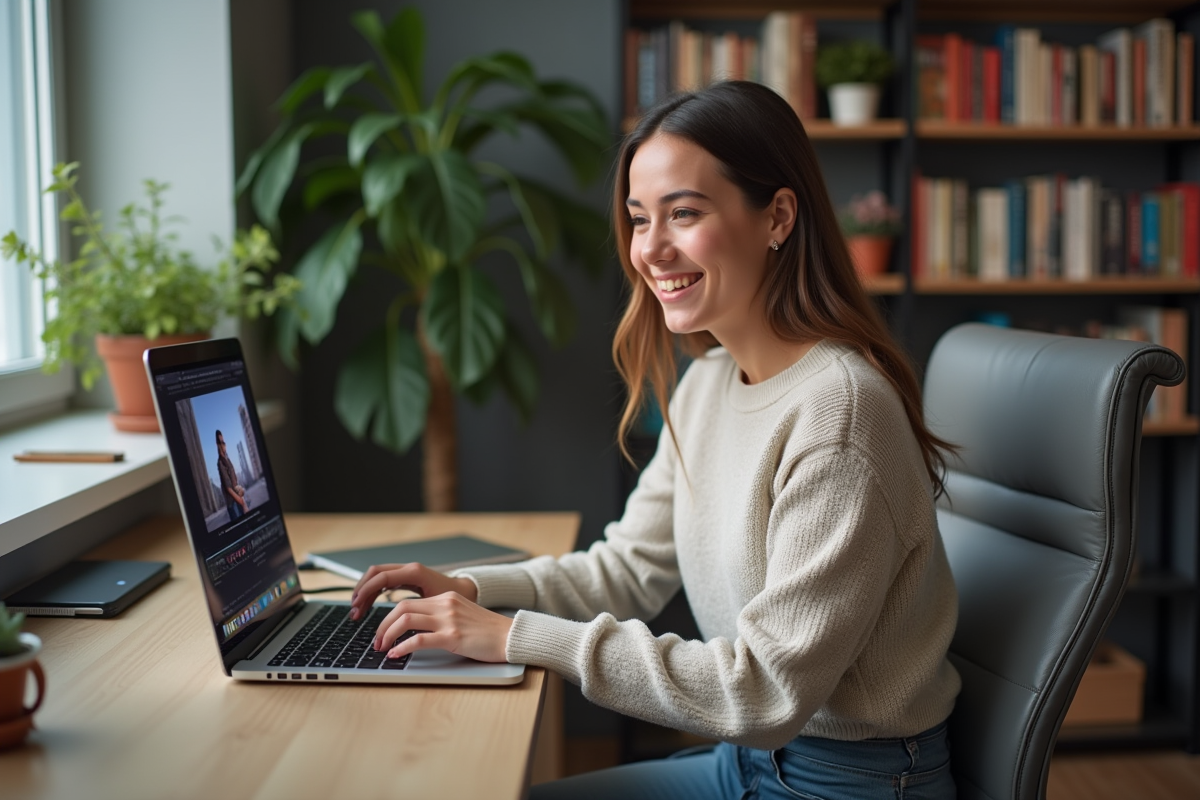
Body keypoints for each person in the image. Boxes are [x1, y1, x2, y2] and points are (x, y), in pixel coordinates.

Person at [348, 80, 961, 800]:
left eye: (685, 213)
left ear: (778, 217)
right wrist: (472, 590)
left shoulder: (841, 417)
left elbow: (764, 693)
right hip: (750, 759)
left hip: (851, 780)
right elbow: (627, 569)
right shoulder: (708, 382)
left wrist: (513, 636)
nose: (651, 250)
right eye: (640, 220)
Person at [216, 430, 248, 522]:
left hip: (237, 499)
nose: (223, 445)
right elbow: (228, 488)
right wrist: (240, 501)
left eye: (224, 442)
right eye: (221, 443)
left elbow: (234, 481)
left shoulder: (228, 460)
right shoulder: (220, 463)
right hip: (232, 503)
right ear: (217, 445)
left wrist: (241, 497)